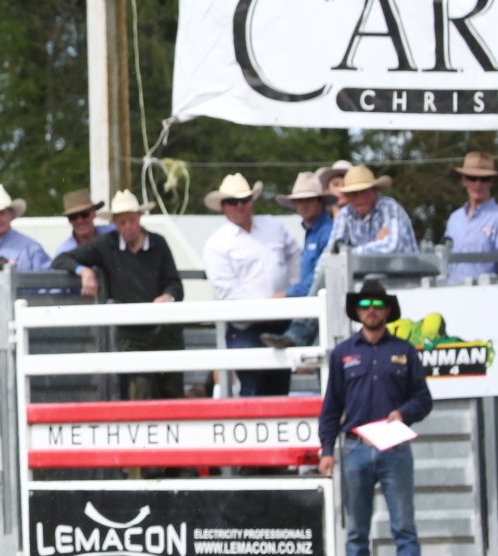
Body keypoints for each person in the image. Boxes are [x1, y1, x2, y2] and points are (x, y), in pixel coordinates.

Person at [318, 280, 434, 556]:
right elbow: (331, 406)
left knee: (404, 527)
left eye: (378, 304)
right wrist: (327, 449)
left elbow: (423, 399)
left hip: (394, 445)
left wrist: (403, 413)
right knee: (356, 531)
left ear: (387, 310)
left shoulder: (405, 351)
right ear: (357, 311)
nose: (372, 310)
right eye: (366, 304)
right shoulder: (342, 353)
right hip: (355, 446)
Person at [50, 190, 184, 399]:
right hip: (131, 334)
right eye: (122, 222)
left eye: (132, 220)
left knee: (171, 391)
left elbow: (174, 283)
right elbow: (60, 259)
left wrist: (168, 296)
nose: (128, 226)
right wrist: (84, 271)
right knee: (142, 390)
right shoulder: (106, 244)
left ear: (140, 218)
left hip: (163, 330)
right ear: (115, 223)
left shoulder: (158, 243)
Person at [201, 173, 300, 397]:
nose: (240, 206)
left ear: (251, 201)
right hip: (246, 328)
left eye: (244, 200)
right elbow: (228, 293)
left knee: (279, 389)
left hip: (280, 322)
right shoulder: (217, 243)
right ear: (224, 206)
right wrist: (270, 307)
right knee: (252, 390)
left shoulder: (273, 226)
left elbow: (296, 258)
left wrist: (292, 292)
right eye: (233, 202)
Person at [261, 171, 335, 350]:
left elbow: (321, 275)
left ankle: (296, 336)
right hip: (317, 306)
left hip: (324, 306)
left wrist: (288, 294)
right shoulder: (313, 232)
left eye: (309, 200)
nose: (304, 205)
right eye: (300, 201)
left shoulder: (327, 232)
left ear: (320, 202)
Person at [441, 151, 498, 283]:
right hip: (452, 291)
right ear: (464, 180)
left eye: (484, 179)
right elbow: (444, 262)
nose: (478, 184)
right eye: (472, 178)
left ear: (491, 182)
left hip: (488, 293)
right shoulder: (454, 219)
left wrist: (495, 291)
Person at [327, 165, 418, 257]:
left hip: (402, 266)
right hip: (364, 266)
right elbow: (331, 251)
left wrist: (348, 252)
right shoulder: (345, 214)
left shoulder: (389, 207)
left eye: (364, 192)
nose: (360, 198)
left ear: (375, 191)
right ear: (348, 196)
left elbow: (391, 247)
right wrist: (376, 245)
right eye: (354, 193)